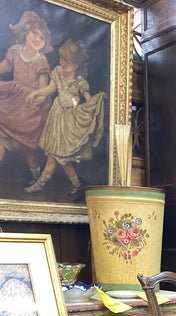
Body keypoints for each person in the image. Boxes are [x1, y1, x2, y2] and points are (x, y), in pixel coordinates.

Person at [25, 38, 105, 198]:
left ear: (75, 66)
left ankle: (39, 185)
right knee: (59, 158)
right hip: (56, 118)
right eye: (61, 59)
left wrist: (98, 99)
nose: (62, 63)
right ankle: (77, 185)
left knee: (57, 158)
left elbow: (89, 103)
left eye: (66, 62)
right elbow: (48, 90)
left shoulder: (80, 82)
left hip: (69, 122)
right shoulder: (57, 73)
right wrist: (35, 93)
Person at [0, 11, 53, 185]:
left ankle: (37, 175)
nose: (38, 39)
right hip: (12, 103)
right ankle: (36, 174)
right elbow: (4, 67)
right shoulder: (15, 52)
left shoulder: (41, 61)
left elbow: (42, 90)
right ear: (25, 32)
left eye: (42, 37)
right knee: (4, 141)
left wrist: (34, 97)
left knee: (26, 149)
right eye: (34, 34)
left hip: (30, 110)